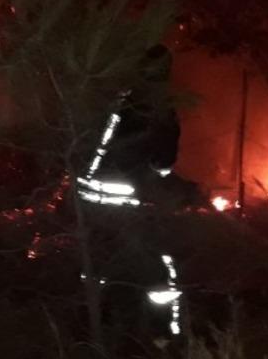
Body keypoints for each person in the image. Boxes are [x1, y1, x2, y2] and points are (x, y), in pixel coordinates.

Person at [75, 45, 195, 339]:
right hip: (127, 199)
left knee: (98, 262)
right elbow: (163, 163)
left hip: (90, 196)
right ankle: (162, 339)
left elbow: (90, 142)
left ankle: (91, 329)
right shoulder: (161, 108)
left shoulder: (117, 97)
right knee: (158, 268)